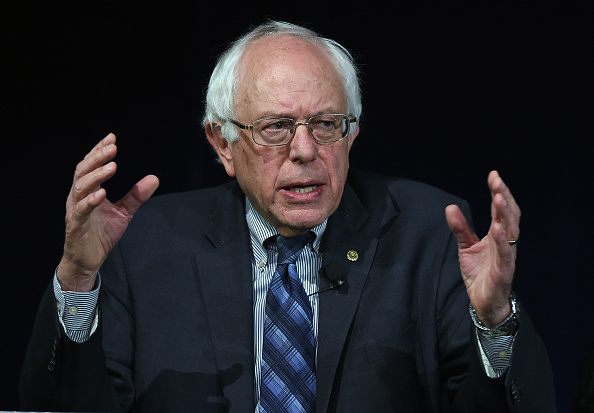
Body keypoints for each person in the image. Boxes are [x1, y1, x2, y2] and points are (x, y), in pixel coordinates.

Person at [20, 21, 555, 412]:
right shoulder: (144, 244)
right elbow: (59, 406)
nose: (304, 150)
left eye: (326, 124)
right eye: (275, 127)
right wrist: (78, 281)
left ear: (353, 133)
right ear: (222, 143)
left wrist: (493, 323)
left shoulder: (426, 232)